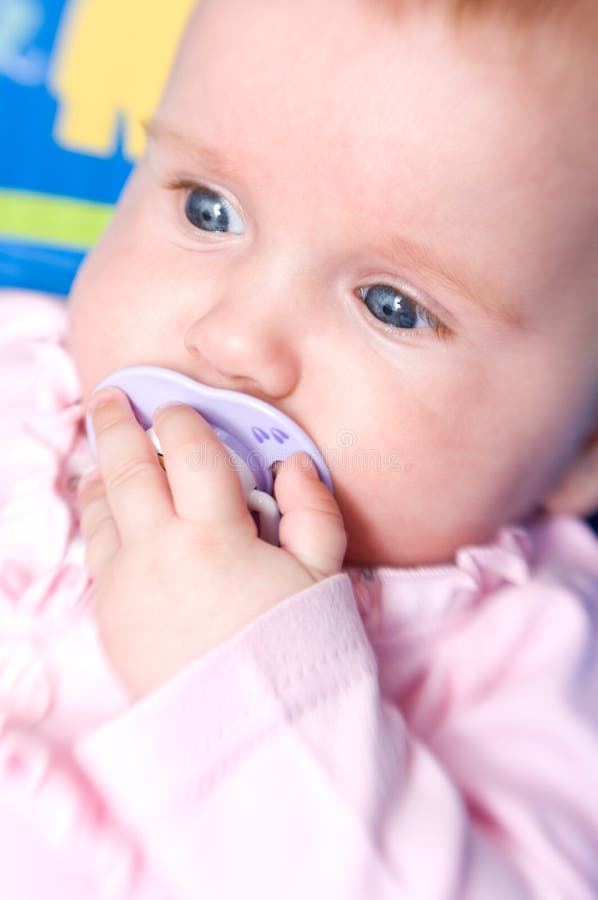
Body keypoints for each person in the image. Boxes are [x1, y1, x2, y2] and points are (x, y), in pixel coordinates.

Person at [1, 0, 598, 896]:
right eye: (207, 209)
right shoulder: (20, 378)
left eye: (393, 306)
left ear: (583, 445)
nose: (235, 338)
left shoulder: (529, 669)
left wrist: (244, 679)